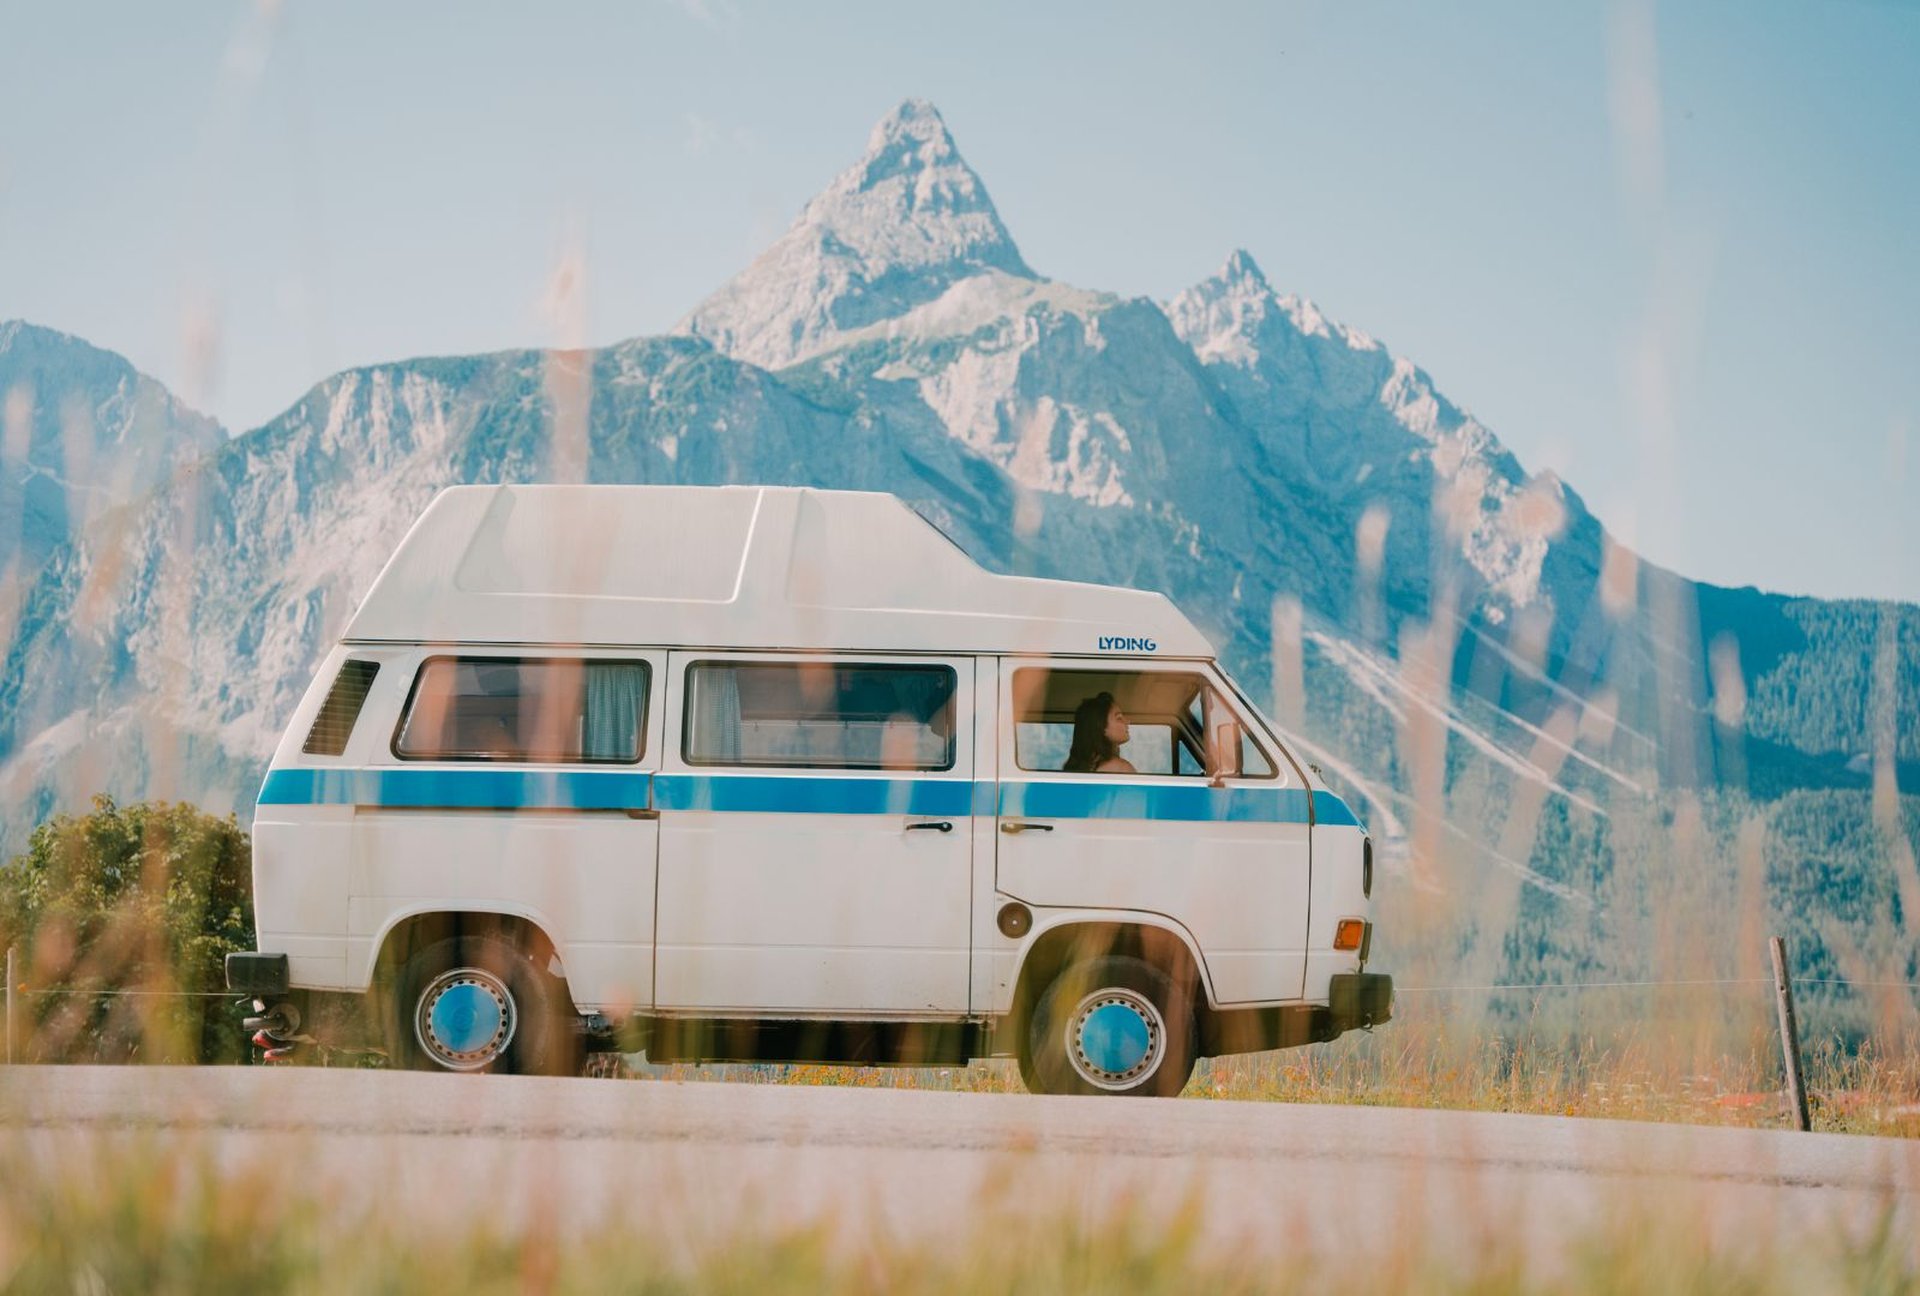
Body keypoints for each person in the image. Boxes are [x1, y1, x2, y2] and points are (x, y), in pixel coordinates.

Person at [1062, 691, 1137, 774]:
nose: (1127, 721)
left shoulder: (1078, 769)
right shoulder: (1120, 768)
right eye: (1119, 718)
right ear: (1101, 727)